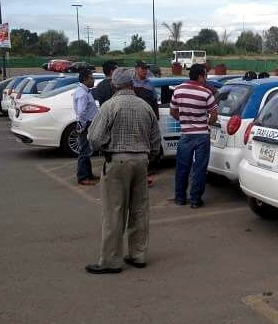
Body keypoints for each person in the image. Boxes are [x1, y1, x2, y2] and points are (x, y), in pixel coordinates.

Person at [85, 68, 161, 274]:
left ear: (114, 85)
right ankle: (138, 255)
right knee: (139, 209)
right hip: (141, 161)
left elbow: (94, 138)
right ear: (132, 84)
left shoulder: (110, 106)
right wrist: (147, 157)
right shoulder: (145, 106)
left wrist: (108, 145)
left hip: (117, 161)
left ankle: (111, 260)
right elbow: (156, 141)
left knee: (114, 211)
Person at [170, 63, 218, 208]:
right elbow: (214, 114)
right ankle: (195, 200)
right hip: (202, 135)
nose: (205, 78)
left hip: (185, 135)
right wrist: (207, 125)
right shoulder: (206, 93)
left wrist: (184, 121)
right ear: (200, 76)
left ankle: (180, 198)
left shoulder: (178, 90)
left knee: (182, 167)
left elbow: (173, 112)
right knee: (199, 168)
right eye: (205, 75)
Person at [73, 68, 99, 185]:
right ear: (85, 79)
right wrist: (82, 127)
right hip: (86, 125)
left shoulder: (85, 91)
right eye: (91, 78)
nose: (93, 80)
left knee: (87, 150)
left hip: (88, 124)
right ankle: (83, 177)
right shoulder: (82, 94)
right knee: (84, 151)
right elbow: (81, 112)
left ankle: (88, 174)